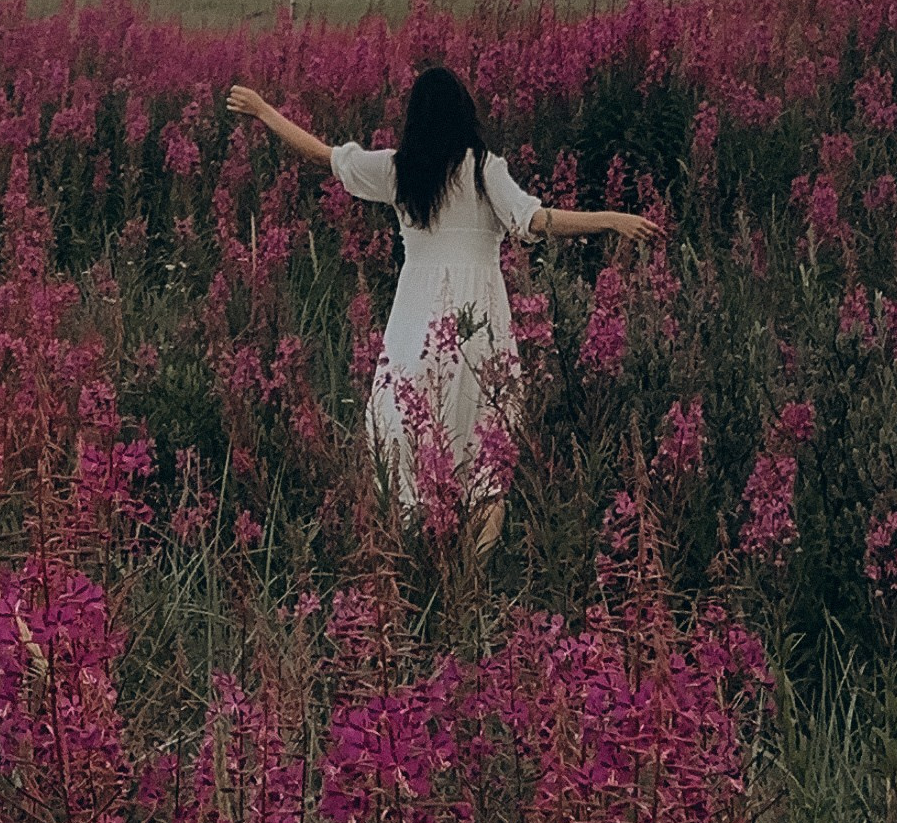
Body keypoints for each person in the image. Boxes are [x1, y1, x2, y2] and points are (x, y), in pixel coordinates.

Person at [226, 63, 657, 539]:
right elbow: (535, 220)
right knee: (486, 460)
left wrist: (263, 110)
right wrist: (611, 219)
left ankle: (418, 551)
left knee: (402, 432)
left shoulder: (400, 169)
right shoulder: (485, 169)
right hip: (481, 322)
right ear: (464, 113)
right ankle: (472, 571)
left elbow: (322, 154)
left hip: (416, 321)